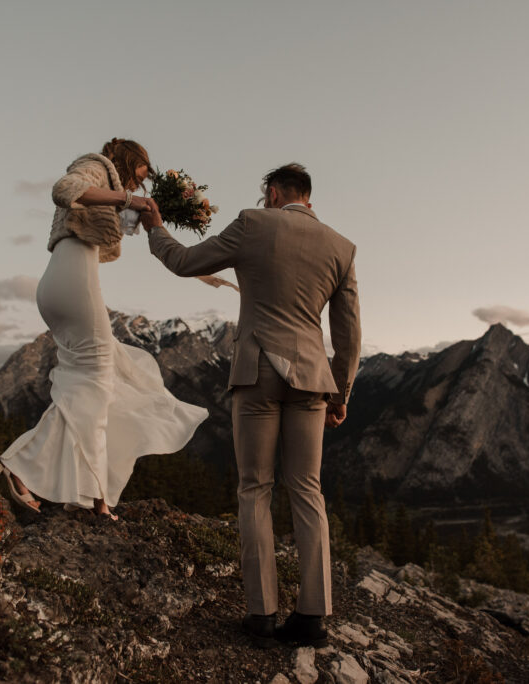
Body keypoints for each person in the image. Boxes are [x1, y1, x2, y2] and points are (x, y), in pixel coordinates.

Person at [140, 163, 361, 648]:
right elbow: (349, 334)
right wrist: (340, 394)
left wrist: (156, 228)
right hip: (311, 380)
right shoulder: (341, 247)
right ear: (308, 195)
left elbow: (183, 261)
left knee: (254, 488)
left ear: (276, 192)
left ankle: (261, 613)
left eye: (267, 195)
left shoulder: (253, 223)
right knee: (307, 488)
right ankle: (313, 616)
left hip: (257, 370)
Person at [0, 138, 208, 520]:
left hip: (62, 280)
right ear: (129, 160)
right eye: (142, 171)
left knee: (89, 385)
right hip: (73, 278)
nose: (141, 183)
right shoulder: (95, 165)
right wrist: (128, 200)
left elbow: (127, 217)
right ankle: (24, 467)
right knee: (98, 382)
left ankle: (87, 495)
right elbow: (64, 190)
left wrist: (172, 208)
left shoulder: (111, 189)